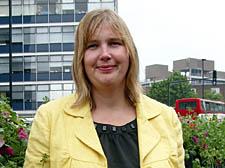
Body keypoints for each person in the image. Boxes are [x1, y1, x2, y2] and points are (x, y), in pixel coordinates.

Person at [24, 9, 185, 168]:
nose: (105, 54)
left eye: (114, 43)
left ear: (129, 53)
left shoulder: (166, 119)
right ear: (81, 58)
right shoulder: (49, 119)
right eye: (93, 46)